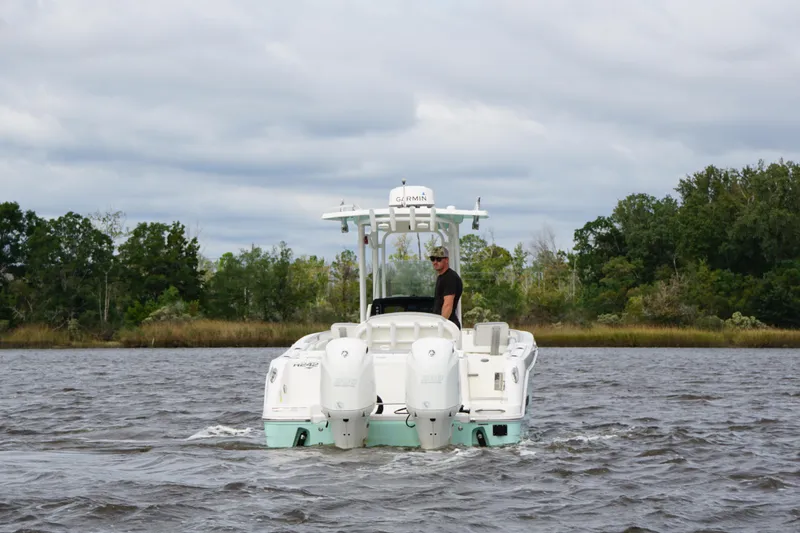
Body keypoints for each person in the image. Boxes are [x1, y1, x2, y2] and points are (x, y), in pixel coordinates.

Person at [430, 246, 463, 329]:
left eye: (438, 259)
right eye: (432, 259)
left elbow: (448, 305)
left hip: (448, 327)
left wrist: (441, 327)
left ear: (447, 260)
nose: (435, 262)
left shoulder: (450, 278)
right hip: (445, 325)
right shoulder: (441, 277)